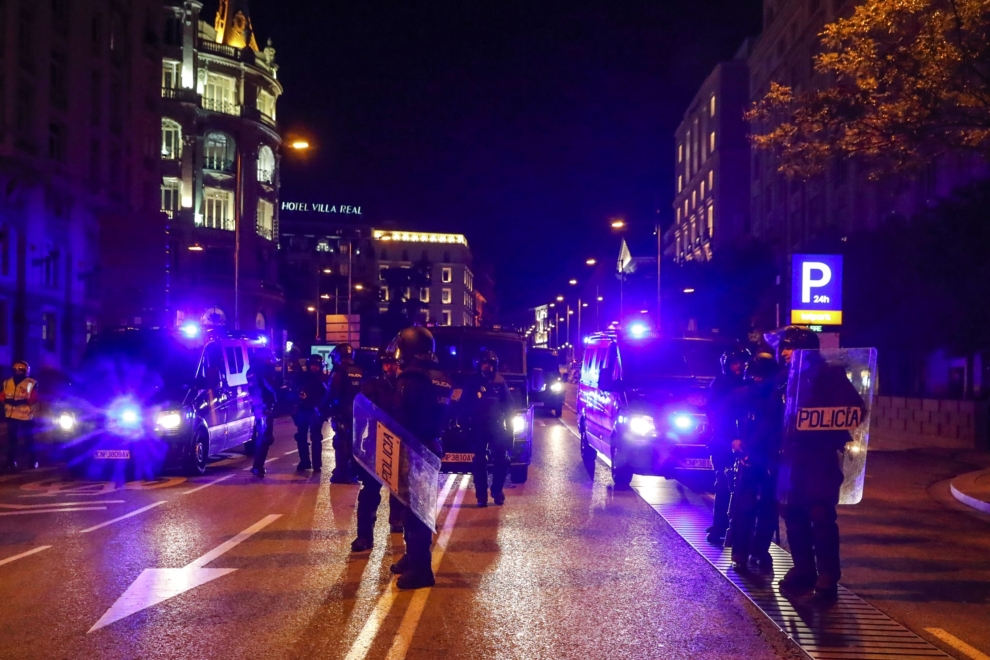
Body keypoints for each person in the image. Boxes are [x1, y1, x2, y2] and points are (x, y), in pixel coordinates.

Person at [772, 326, 864, 600]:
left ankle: (827, 576)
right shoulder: (782, 378)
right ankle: (803, 569)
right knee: (792, 512)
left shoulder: (830, 375)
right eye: (783, 348)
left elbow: (855, 409)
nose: (785, 353)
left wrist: (820, 426)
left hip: (819, 456)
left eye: (790, 348)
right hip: (790, 457)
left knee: (820, 513)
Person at [388, 326, 453, 589]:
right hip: (431, 445)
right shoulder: (441, 376)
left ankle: (421, 570)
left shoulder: (411, 378)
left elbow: (400, 415)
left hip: (412, 449)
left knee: (415, 512)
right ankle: (412, 557)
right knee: (418, 507)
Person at [728, 352, 783, 573]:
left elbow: (778, 429)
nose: (757, 380)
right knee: (746, 506)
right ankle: (742, 551)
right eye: (755, 375)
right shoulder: (742, 395)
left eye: (762, 376)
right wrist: (734, 441)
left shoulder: (779, 398)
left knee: (767, 508)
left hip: (770, 457)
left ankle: (760, 550)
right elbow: (726, 419)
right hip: (750, 458)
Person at [351, 347, 403, 552]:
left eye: (393, 363)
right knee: (369, 492)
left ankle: (397, 522)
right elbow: (361, 417)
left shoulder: (404, 385)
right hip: (376, 442)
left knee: (399, 490)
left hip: (400, 442)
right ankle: (364, 536)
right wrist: (357, 446)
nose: (390, 367)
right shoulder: (372, 385)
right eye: (386, 363)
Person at [706, 345, 751, 545]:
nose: (738, 367)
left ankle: (739, 528)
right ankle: (719, 525)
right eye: (734, 363)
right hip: (724, 442)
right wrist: (730, 438)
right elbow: (716, 415)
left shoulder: (751, 384)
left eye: (742, 363)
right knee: (723, 483)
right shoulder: (720, 385)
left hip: (746, 440)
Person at [461, 350, 512, 507]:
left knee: (501, 459)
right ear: (479, 365)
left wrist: (510, 429)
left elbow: (509, 406)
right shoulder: (472, 383)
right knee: (479, 461)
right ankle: (481, 496)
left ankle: (497, 491)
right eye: (484, 363)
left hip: (496, 427)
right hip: (478, 427)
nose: (487, 367)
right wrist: (465, 425)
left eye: (490, 364)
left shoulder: (499, 382)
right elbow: (464, 405)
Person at [327, 343, 364, 484]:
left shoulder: (338, 371)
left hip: (342, 411)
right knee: (355, 442)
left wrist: (322, 410)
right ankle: (354, 471)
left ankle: (342, 473)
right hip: (358, 412)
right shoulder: (359, 370)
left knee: (341, 441)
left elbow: (331, 392)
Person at [1, 361, 39, 471]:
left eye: (20, 370)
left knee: (29, 440)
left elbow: (33, 398)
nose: (17, 372)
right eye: (15, 370)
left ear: (25, 371)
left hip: (25, 416)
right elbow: (2, 395)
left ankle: (33, 461)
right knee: (12, 441)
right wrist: (6, 400)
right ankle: (11, 462)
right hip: (11, 415)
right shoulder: (7, 382)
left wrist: (18, 402)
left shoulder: (31, 383)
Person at [293, 354, 328, 472]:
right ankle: (304, 462)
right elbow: (294, 390)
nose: (314, 368)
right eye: (312, 365)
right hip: (303, 410)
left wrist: (323, 410)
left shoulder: (323, 379)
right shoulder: (302, 377)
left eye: (316, 366)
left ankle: (317, 464)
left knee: (316, 437)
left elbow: (328, 395)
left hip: (316, 411)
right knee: (301, 436)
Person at [248, 351, 279, 478]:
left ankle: (258, 466)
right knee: (266, 437)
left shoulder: (252, 370)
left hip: (258, 406)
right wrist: (278, 397)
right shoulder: (261, 371)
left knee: (262, 436)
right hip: (264, 407)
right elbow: (269, 387)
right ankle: (257, 466)